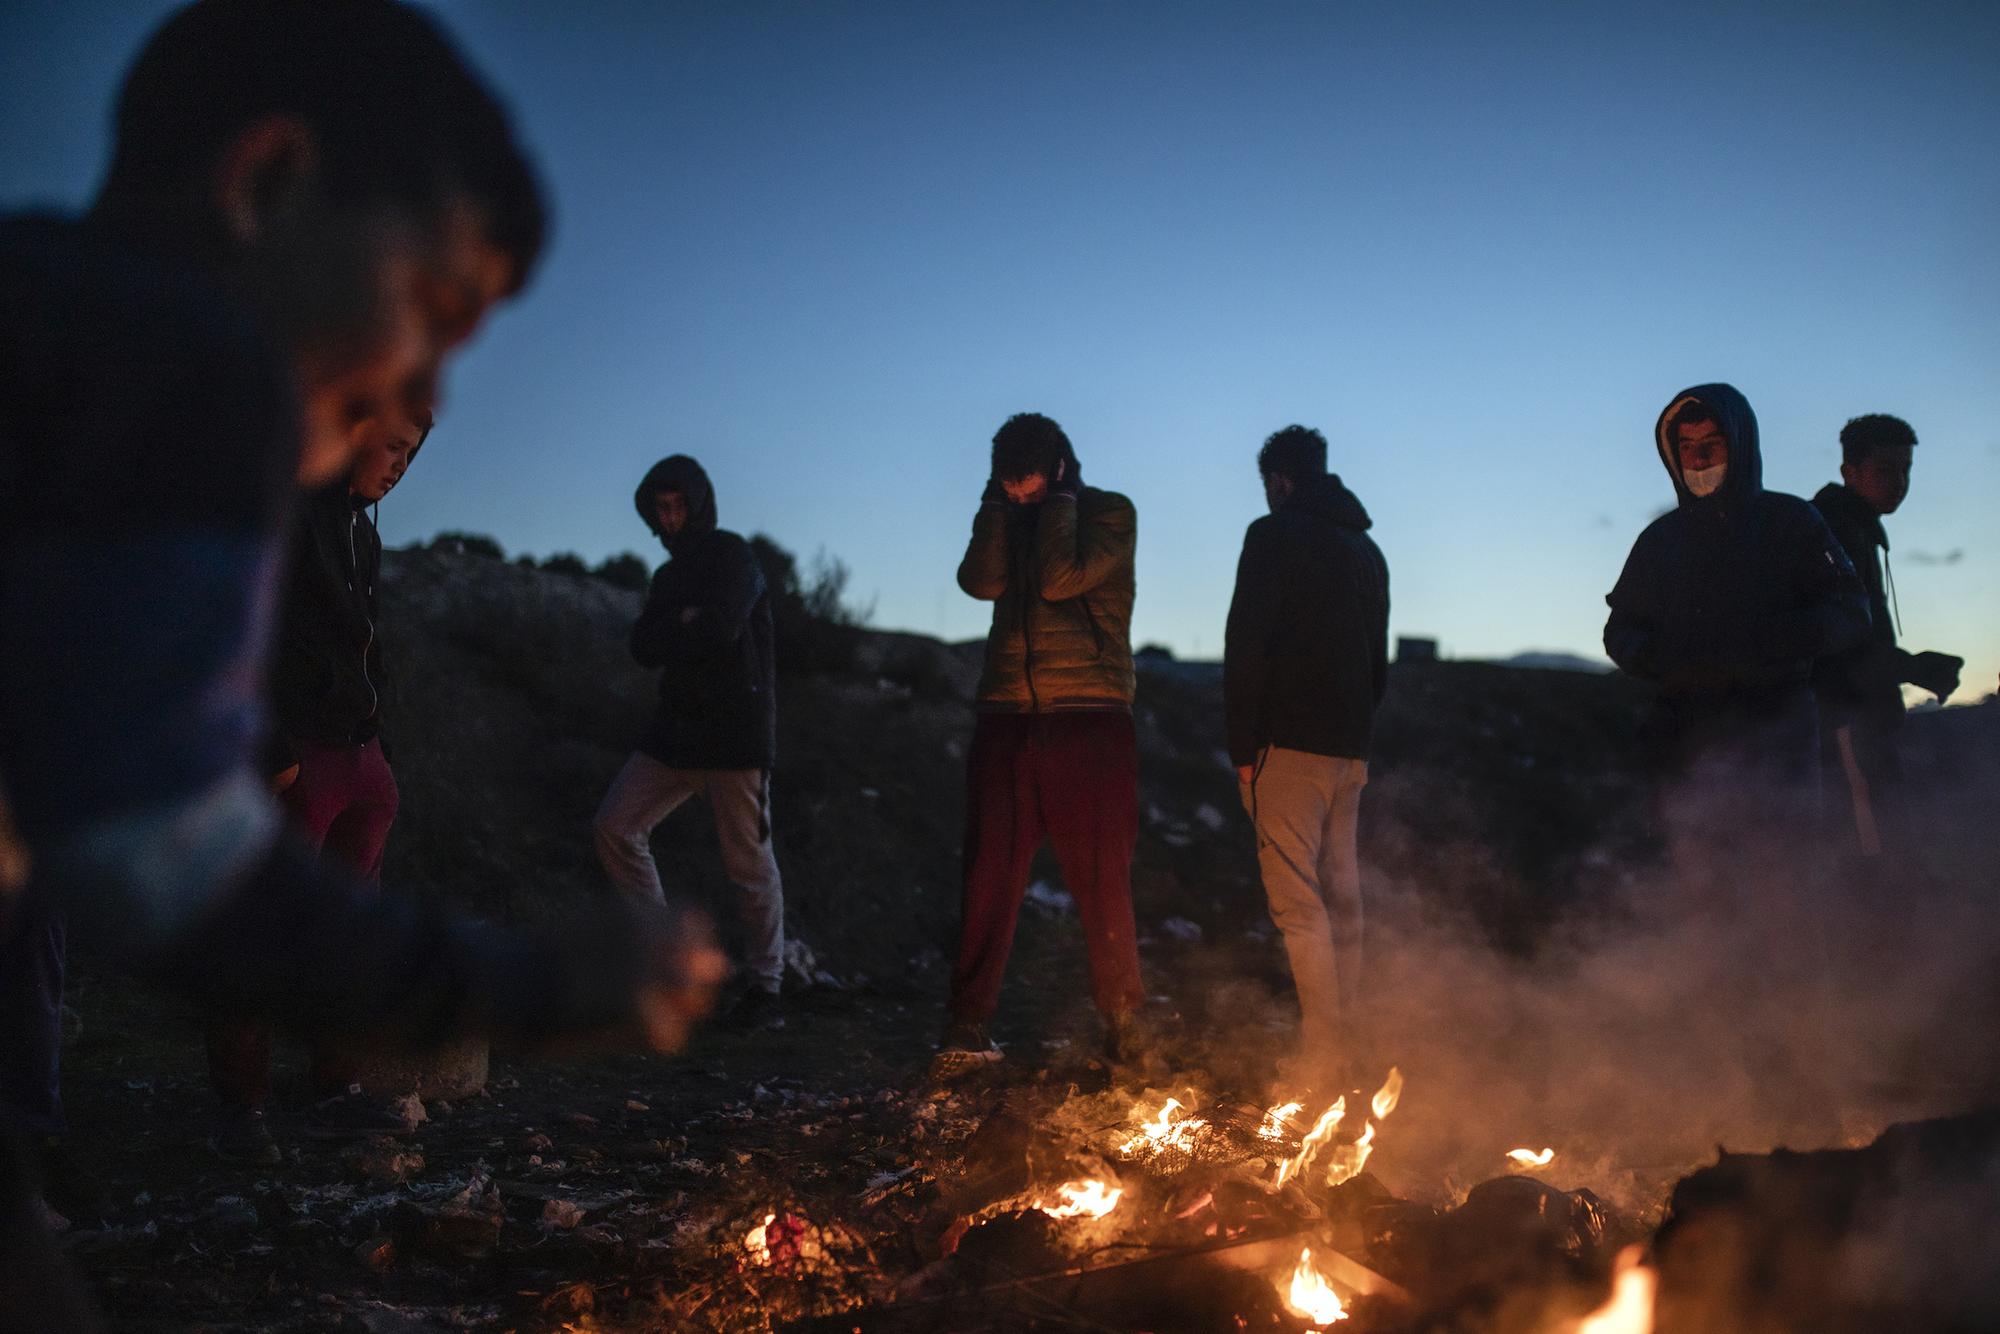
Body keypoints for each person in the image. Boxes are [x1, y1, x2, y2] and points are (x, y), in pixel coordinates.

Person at [1, 2, 721, 1322]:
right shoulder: (181, 365)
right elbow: (174, 864)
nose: (417, 380)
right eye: (434, 310)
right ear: (267, 182)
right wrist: (539, 984)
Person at [205, 405, 433, 1165]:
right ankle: (240, 1107)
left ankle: (332, 1088)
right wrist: (271, 748)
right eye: (393, 446)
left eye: (412, 454)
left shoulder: (362, 532)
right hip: (298, 751)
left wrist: (383, 750)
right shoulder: (290, 506)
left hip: (359, 755)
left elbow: (369, 647)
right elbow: (240, 627)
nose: (400, 465)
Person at [933, 413, 1146, 1078]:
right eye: (1009, 491)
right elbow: (979, 581)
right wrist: (998, 508)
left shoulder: (1110, 513)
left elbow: (1059, 578)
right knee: (987, 878)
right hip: (1006, 722)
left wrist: (1055, 503)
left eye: (1031, 490)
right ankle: (966, 1026)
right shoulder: (1006, 511)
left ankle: (1124, 1031)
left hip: (1091, 721)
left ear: (1057, 470)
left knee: (1102, 884)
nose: (1020, 501)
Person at [1224, 426, 1389, 1093]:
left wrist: (1242, 750)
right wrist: (1356, 730)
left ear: (1279, 480)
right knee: (1342, 896)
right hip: (1350, 750)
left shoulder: (1272, 537)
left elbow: (1247, 645)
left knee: (1298, 903)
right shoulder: (1366, 550)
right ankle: (1346, 1033)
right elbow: (1377, 660)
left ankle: (1324, 1050)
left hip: (1286, 747)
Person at [595, 456, 785, 1029]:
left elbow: (721, 626)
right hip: (675, 733)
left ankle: (766, 986)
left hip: (735, 734)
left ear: (698, 503)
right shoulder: (667, 578)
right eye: (661, 508)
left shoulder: (733, 554)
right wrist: (684, 621)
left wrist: (682, 625)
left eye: (678, 505)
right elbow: (642, 646)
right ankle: (662, 959)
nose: (670, 517)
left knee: (748, 865)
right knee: (615, 827)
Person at [1810, 414, 1962, 858]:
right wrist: (1913, 667)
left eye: (1906, 469)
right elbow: (1839, 644)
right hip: (1845, 724)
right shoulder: (1832, 532)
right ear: (1849, 472)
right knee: (1871, 849)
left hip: (1859, 721)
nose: (1900, 482)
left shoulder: (1854, 528)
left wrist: (1911, 666)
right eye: (1886, 470)